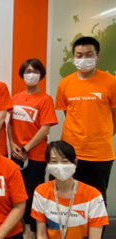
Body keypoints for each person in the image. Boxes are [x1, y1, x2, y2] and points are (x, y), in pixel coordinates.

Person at [55, 36, 116, 207]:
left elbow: (114, 116)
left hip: (99, 154)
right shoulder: (65, 84)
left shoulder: (111, 82)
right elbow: (68, 114)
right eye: (79, 55)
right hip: (69, 153)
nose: (83, 59)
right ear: (74, 57)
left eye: (88, 54)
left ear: (98, 56)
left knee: (96, 202)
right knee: (66, 200)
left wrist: (100, 133)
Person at [8, 58, 58, 239]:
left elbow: (45, 127)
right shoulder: (15, 98)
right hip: (15, 154)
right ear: (22, 74)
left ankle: (31, 229)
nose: (31, 74)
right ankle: (17, 226)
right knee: (16, 193)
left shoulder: (45, 99)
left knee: (33, 193)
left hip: (35, 155)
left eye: (35, 71)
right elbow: (10, 125)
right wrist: (13, 145)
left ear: (41, 75)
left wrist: (26, 148)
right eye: (28, 71)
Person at [31, 141, 109, 239]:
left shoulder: (93, 196)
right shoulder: (41, 192)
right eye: (54, 161)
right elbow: (41, 235)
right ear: (48, 164)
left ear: (75, 163)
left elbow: (95, 237)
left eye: (65, 161)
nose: (60, 166)